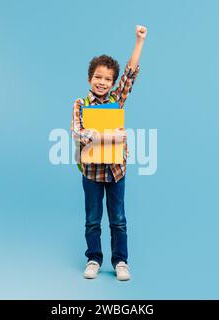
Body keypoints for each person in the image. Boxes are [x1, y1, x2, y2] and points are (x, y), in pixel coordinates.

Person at [70, 25, 147, 281]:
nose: (102, 82)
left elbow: (130, 74)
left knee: (119, 219)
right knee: (92, 219)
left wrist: (139, 41)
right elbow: (77, 133)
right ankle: (93, 258)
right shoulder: (80, 104)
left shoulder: (117, 99)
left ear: (112, 83)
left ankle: (120, 261)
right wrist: (108, 136)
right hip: (91, 172)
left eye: (107, 79)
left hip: (116, 171)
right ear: (89, 78)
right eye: (98, 77)